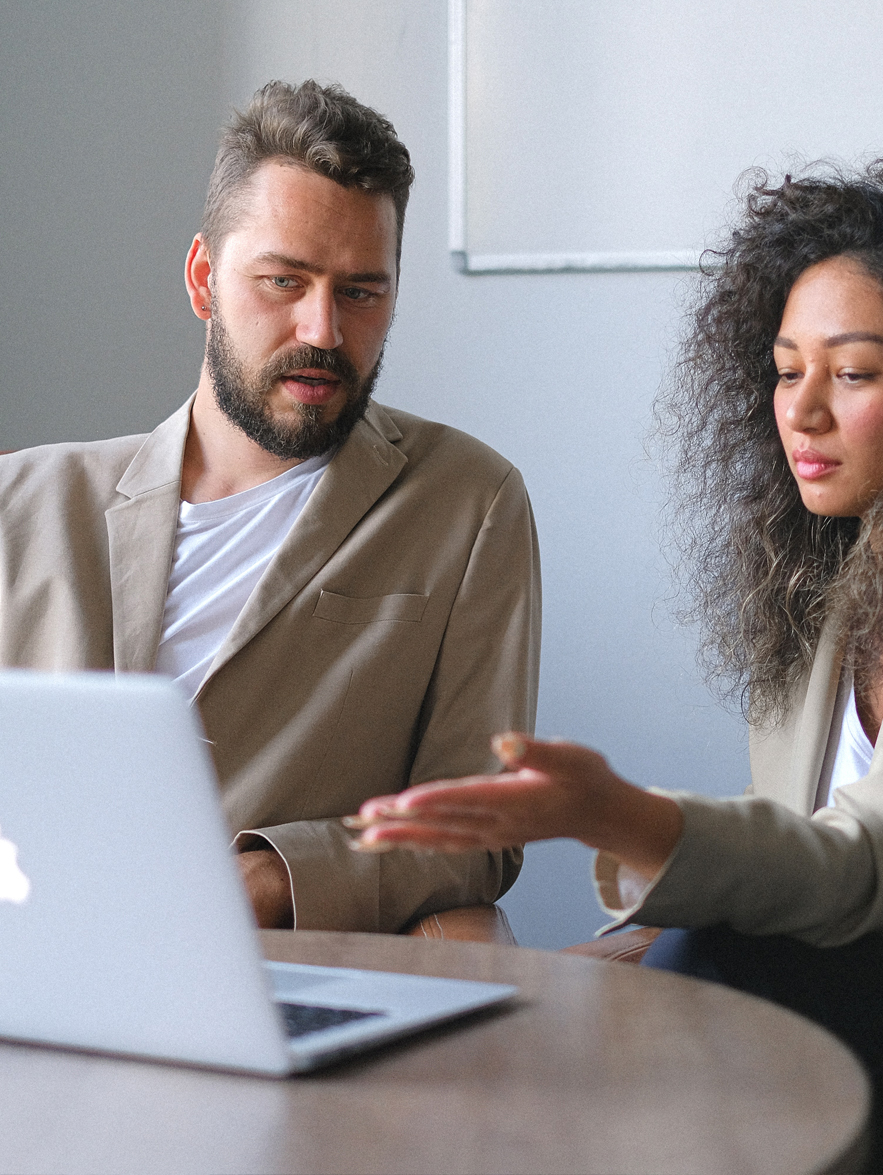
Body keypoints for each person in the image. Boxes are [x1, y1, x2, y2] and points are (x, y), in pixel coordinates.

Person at [349, 162, 883, 1173]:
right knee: (589, 1000)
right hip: (859, 977)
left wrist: (614, 813)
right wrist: (613, 954)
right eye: (785, 369)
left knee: (720, 967)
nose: (802, 411)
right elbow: (795, 843)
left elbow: (877, 858)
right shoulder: (836, 577)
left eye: (852, 374)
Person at [0, 80, 540, 934]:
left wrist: (263, 880)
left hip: (277, 966)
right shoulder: (25, 505)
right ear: (204, 280)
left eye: (361, 291)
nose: (323, 329)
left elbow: (481, 827)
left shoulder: (466, 502)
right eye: (284, 281)